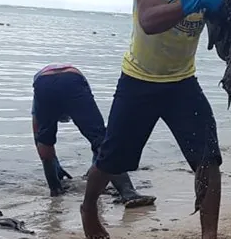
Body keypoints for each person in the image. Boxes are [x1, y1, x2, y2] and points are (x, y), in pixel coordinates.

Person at [80, 0, 229, 239]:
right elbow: (148, 21)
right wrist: (190, 2)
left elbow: (223, 45)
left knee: (209, 158)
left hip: (182, 84)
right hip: (138, 81)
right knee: (113, 158)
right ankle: (89, 206)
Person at [31, 63, 156, 206]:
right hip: (72, 78)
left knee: (45, 140)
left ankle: (55, 190)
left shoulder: (39, 101)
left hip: (44, 83)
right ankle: (128, 192)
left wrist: (52, 166)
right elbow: (99, 143)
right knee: (100, 139)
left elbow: (38, 136)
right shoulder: (75, 89)